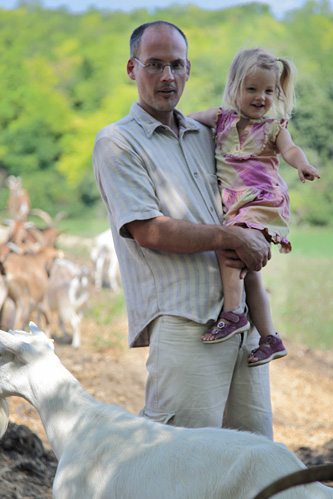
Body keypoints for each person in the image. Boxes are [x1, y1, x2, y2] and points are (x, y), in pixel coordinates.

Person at [93, 20, 273, 436]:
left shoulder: (205, 134)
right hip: (184, 320)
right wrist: (230, 237)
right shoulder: (118, 141)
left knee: (254, 454)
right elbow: (148, 231)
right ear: (131, 68)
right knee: (182, 459)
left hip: (240, 319)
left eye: (176, 65)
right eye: (154, 65)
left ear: (189, 70)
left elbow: (252, 171)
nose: (167, 77)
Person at [188, 47, 320, 367]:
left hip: (262, 200)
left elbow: (290, 150)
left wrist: (302, 165)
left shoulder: (274, 128)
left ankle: (232, 313)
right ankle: (270, 338)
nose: (261, 97)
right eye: (252, 89)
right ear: (234, 87)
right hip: (235, 205)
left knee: (228, 245)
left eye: (268, 91)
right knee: (251, 275)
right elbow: (182, 121)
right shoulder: (219, 118)